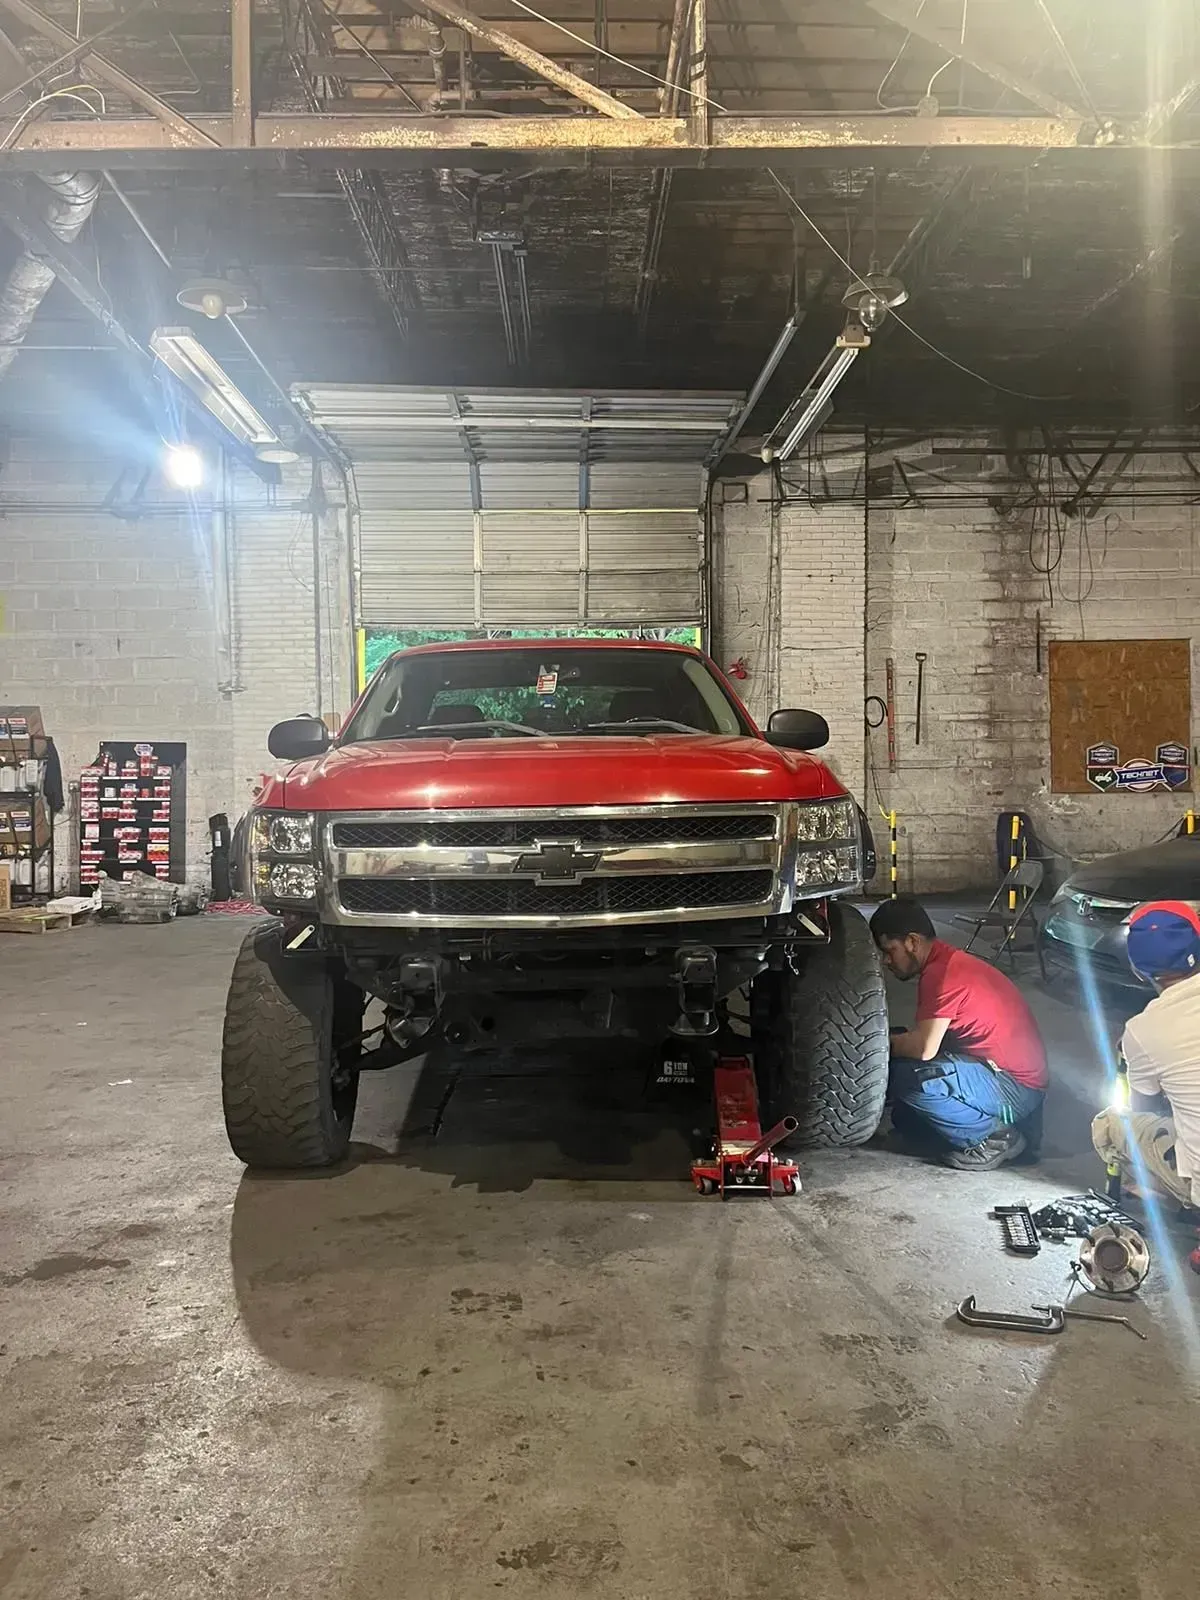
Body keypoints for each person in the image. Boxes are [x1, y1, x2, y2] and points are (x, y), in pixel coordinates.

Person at [869, 896, 1049, 1171]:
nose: (886, 961)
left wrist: (876, 1045)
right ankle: (967, 1128)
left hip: (1016, 1087)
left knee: (908, 1079)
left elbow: (924, 1048)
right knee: (906, 1109)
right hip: (1007, 1075)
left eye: (889, 950)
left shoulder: (941, 976)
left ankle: (997, 1137)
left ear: (912, 942)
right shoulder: (948, 961)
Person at [1092, 901, 1200, 1213]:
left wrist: (1133, 1050)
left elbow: (1142, 1108)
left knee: (1112, 1122)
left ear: (1137, 971)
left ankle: (1160, 1189)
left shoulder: (1143, 1030)